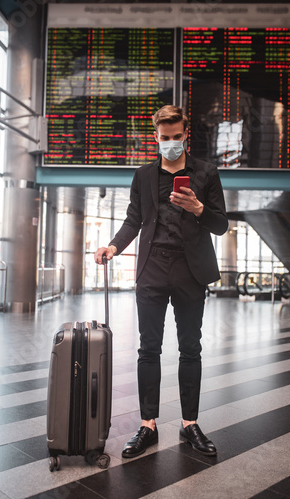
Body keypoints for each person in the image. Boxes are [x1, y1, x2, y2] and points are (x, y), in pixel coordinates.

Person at [94, 105, 228, 459]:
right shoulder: (143, 176)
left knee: (190, 348)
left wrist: (198, 208)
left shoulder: (206, 173)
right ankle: (148, 425)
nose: (170, 143)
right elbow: (133, 220)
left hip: (190, 270)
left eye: (176, 136)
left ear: (186, 135)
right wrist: (112, 245)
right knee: (148, 348)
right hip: (152, 268)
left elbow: (221, 225)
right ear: (156, 136)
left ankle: (190, 424)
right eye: (163, 137)